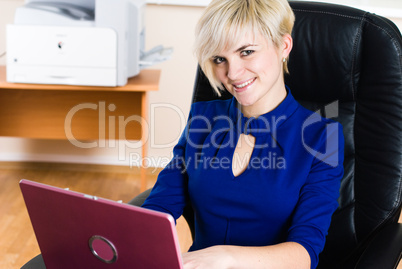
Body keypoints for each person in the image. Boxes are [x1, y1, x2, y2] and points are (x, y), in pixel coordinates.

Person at [142, 0, 344, 268]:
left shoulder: (323, 136)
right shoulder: (203, 120)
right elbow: (160, 206)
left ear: (283, 46)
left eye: (247, 52)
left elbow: (304, 252)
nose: (232, 74)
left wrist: (227, 257)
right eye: (219, 59)